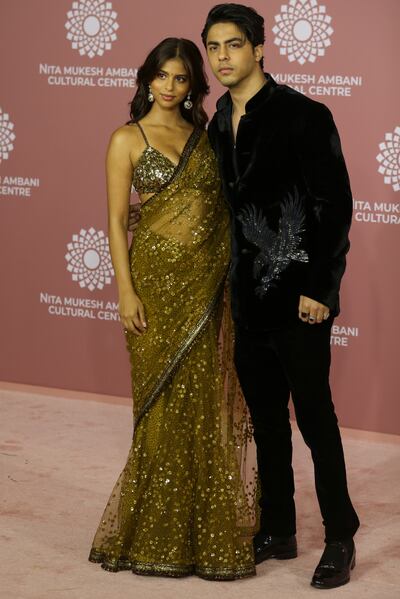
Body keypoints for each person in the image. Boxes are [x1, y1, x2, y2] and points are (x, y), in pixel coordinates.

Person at [199, 3, 360, 590]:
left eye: (234, 45)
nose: (222, 57)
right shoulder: (218, 119)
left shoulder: (303, 115)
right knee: (266, 421)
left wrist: (322, 289)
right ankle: (278, 527)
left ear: (260, 48)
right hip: (248, 302)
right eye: (214, 47)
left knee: (315, 419)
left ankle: (340, 535)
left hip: (299, 300)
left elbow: (334, 207)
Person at [88, 37, 257, 581]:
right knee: (159, 411)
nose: (169, 87)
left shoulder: (208, 140)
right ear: (147, 79)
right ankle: (151, 534)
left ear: (193, 86)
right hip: (154, 293)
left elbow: (224, 211)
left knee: (204, 409)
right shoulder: (126, 139)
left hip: (208, 292)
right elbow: (116, 222)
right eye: (160, 76)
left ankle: (201, 535)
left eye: (181, 78)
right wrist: (125, 289)